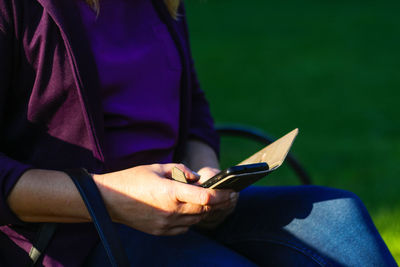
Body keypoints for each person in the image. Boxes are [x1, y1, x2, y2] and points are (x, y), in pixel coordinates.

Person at [0, 0, 396, 266]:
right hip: (67, 237)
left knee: (339, 216)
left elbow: (192, 104)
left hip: (177, 208)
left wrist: (207, 176)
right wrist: (111, 199)